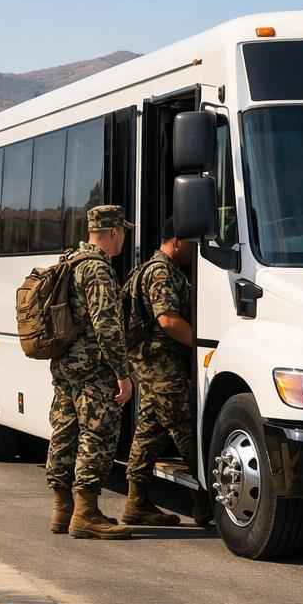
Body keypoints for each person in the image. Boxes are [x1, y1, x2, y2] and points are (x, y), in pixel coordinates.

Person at [46, 204, 134, 540]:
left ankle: (62, 509)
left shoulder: (70, 261)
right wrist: (122, 374)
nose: (123, 239)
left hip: (66, 366)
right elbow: (107, 326)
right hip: (92, 369)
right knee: (96, 436)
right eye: (123, 232)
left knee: (64, 433)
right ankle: (86, 514)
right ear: (113, 233)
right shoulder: (97, 269)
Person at [122, 218, 197, 526]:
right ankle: (207, 497)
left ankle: (136, 502)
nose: (195, 251)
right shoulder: (161, 271)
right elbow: (166, 320)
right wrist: (202, 345)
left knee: (149, 429)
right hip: (160, 363)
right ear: (177, 241)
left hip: (151, 363)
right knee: (184, 428)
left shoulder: (154, 268)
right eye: (192, 244)